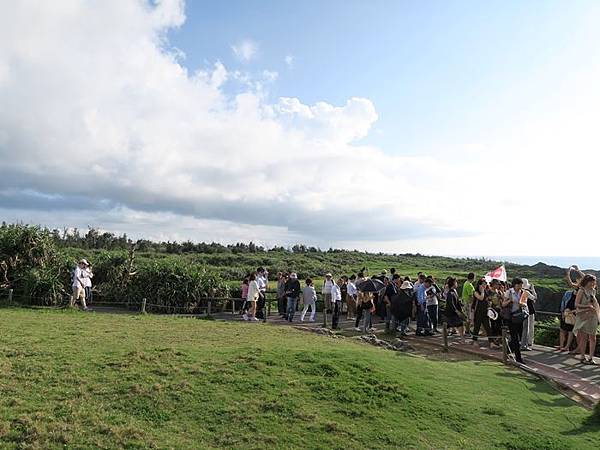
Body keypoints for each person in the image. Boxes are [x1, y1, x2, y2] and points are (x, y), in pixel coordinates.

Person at [573, 274, 599, 365]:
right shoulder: (581, 290)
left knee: (593, 337)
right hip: (583, 316)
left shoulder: (593, 291)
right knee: (583, 337)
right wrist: (587, 306)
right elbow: (576, 304)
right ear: (587, 281)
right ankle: (582, 356)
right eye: (591, 281)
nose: (593, 283)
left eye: (594, 282)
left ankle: (591, 357)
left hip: (592, 315)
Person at [503, 278, 527, 364]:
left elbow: (525, 303)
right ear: (515, 285)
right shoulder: (509, 292)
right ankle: (518, 358)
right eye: (519, 285)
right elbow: (503, 304)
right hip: (511, 317)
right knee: (515, 338)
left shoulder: (523, 293)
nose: (520, 286)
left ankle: (507, 350)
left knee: (518, 337)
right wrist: (510, 300)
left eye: (521, 285)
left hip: (519, 317)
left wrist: (522, 304)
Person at [471, 279, 493, 347]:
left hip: (485, 312)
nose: (484, 285)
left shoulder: (486, 292)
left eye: (485, 284)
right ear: (479, 285)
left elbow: (489, 299)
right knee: (477, 327)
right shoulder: (475, 292)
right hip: (478, 312)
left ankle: (491, 342)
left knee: (488, 327)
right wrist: (482, 291)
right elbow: (481, 298)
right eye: (482, 284)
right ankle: (474, 340)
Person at [520, 279, 537, 351]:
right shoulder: (527, 292)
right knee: (529, 328)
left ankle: (522, 341)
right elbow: (535, 298)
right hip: (529, 311)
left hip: (520, 312)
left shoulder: (518, 292)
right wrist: (533, 289)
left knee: (522, 328)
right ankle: (529, 342)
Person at [558, 287, 577, 352]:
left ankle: (567, 347)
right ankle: (561, 345)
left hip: (573, 315)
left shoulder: (581, 296)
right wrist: (562, 312)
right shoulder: (568, 293)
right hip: (566, 313)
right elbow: (563, 302)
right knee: (562, 329)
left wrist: (573, 311)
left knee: (570, 330)